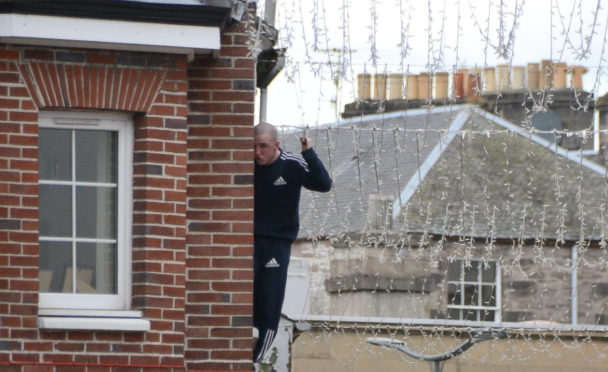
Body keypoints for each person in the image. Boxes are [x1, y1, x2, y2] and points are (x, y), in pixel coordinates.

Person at [252, 122, 332, 362]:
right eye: (253, 147)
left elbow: (324, 184)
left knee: (270, 302)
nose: (257, 153)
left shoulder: (291, 164)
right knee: (246, 295)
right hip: (249, 242)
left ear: (276, 145)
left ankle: (254, 359)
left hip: (278, 244)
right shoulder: (246, 166)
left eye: (263, 147)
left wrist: (309, 153)